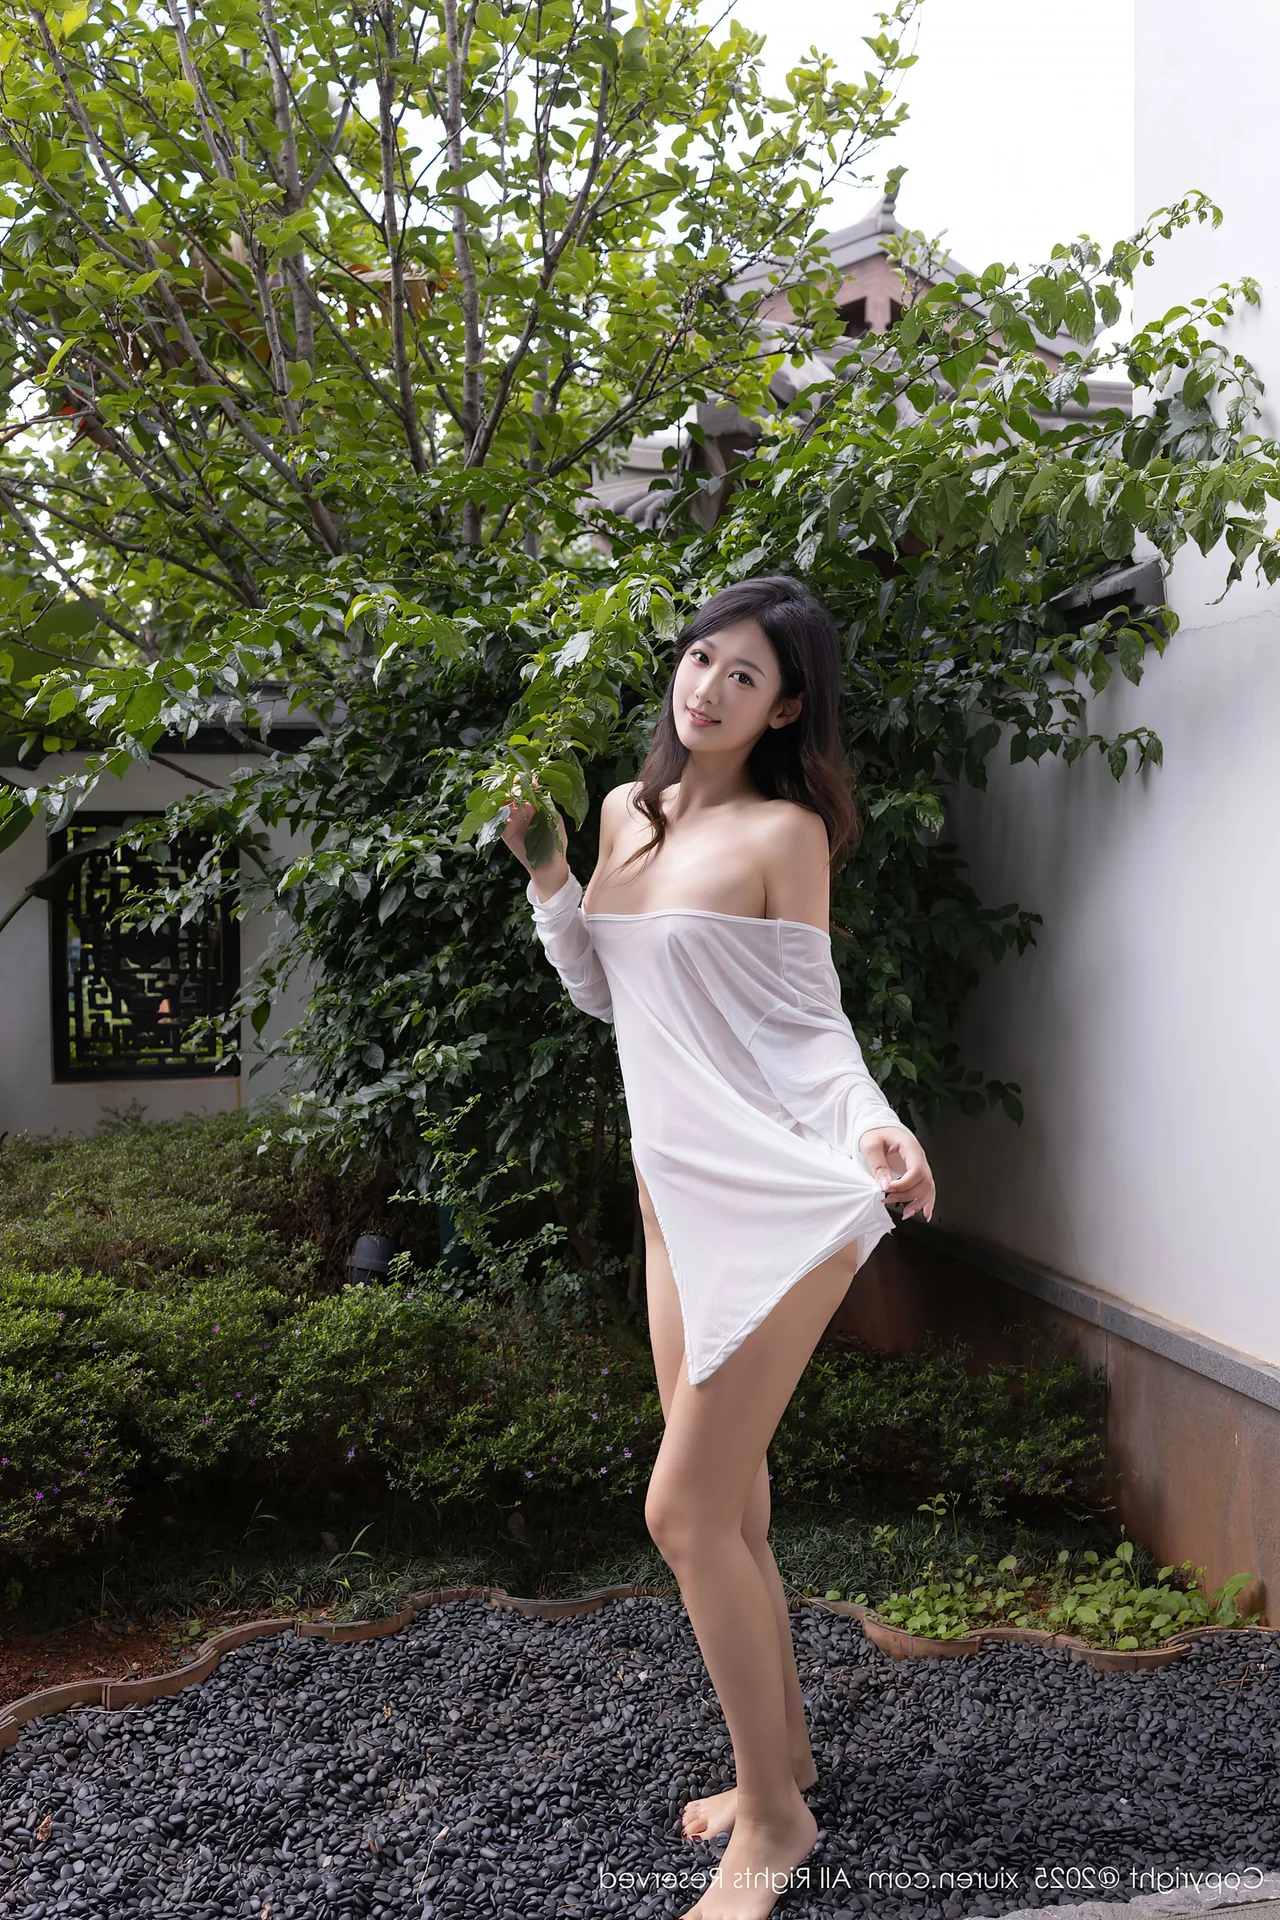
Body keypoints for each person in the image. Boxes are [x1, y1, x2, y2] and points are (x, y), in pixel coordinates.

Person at [502, 575, 936, 1920]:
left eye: (744, 676)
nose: (708, 687)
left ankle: (777, 1824)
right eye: (700, 659)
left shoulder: (782, 833)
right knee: (734, 1504)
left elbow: (810, 1026)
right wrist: (551, 875)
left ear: (784, 708)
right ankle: (777, 1769)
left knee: (682, 1512)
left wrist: (875, 1125)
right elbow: (609, 991)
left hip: (773, 1197)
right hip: (670, 1205)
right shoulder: (626, 814)